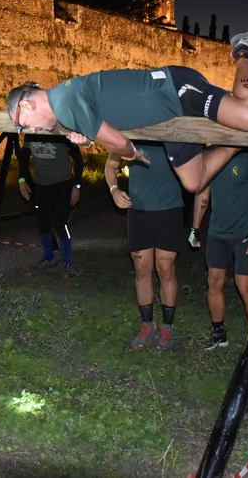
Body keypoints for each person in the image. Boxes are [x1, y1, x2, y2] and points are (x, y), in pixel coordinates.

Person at [6, 25, 248, 194]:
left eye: (23, 124)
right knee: (194, 181)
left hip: (176, 89)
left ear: (27, 103)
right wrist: (82, 133)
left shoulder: (67, 104)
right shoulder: (64, 100)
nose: (29, 130)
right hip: (168, 119)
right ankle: (242, 142)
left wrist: (132, 155)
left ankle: (245, 52)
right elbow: (97, 117)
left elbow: (120, 143)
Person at [189, 149, 248, 360]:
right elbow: (202, 193)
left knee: (245, 286)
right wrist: (195, 227)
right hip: (217, 234)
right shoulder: (209, 156)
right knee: (214, 282)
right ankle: (218, 333)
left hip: (246, 235)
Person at [105, 143, 184, 352]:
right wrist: (114, 190)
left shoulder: (171, 134)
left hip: (169, 210)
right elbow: (110, 165)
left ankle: (167, 327)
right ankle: (147, 324)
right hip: (138, 212)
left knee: (165, 269)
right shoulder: (129, 136)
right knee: (142, 270)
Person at [16, 133, 84, 280]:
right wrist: (22, 180)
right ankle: (49, 258)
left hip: (62, 185)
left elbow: (78, 159)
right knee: (43, 221)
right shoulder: (31, 135)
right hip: (41, 185)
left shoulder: (61, 134)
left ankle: (67, 263)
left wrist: (77, 186)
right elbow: (23, 159)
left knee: (60, 223)